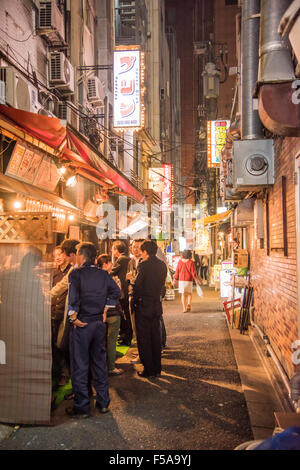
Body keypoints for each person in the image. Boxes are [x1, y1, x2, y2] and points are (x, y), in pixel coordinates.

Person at [66, 242, 121, 419]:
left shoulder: (76, 274)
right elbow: (116, 291)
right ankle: (103, 402)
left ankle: (82, 407)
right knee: (99, 362)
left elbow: (73, 298)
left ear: (82, 256)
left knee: (80, 365)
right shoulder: (103, 274)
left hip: (82, 324)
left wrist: (73, 317)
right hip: (98, 324)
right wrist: (106, 308)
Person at [133, 240, 167, 378]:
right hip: (156, 305)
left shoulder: (143, 265)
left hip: (144, 305)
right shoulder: (162, 265)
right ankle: (157, 367)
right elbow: (162, 286)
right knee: (155, 337)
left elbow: (138, 285)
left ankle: (148, 369)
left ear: (145, 251)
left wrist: (135, 299)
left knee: (144, 338)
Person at [97, 254, 124, 376]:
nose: (112, 264)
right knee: (111, 341)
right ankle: (111, 367)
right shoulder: (112, 279)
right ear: (104, 265)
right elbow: (119, 295)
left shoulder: (95, 279)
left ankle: (100, 366)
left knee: (101, 341)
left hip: (98, 314)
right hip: (113, 314)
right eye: (109, 263)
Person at [51, 245, 72, 386]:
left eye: (59, 254)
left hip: (66, 315)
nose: (57, 257)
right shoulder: (53, 273)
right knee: (54, 345)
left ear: (66, 255)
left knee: (63, 345)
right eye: (55, 255)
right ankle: (60, 373)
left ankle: (67, 373)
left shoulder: (72, 271)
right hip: (53, 313)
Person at [126, 239, 144, 364]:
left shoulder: (145, 262)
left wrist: (132, 279)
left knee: (142, 326)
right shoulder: (131, 262)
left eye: (138, 247)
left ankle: (143, 354)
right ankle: (140, 351)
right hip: (132, 295)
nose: (135, 249)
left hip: (142, 298)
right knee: (135, 327)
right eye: (133, 246)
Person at [111, 241, 131, 346]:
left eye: (112, 249)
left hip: (122, 291)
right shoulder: (127, 258)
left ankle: (126, 336)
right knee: (126, 314)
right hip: (126, 290)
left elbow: (112, 272)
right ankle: (127, 335)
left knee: (123, 314)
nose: (112, 251)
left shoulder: (121, 259)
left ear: (116, 249)